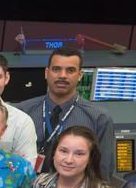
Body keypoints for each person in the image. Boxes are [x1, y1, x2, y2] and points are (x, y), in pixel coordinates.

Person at [16, 45, 116, 179]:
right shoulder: (23, 112)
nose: (62, 76)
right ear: (47, 73)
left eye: (70, 70)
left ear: (80, 75)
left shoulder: (99, 118)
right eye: (56, 69)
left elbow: (103, 172)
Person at [30, 126, 124, 188]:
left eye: (79, 154)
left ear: (90, 159)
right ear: (54, 153)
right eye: (63, 151)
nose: (68, 160)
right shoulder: (38, 183)